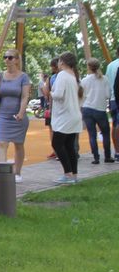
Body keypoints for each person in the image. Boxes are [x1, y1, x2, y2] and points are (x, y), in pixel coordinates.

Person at [0, 48, 31, 182]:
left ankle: (17, 172)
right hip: (3, 114)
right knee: (1, 143)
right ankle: (1, 173)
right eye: (5, 57)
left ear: (16, 60)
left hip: (17, 115)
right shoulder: (0, 75)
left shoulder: (23, 77)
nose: (7, 60)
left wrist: (21, 112)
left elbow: (25, 96)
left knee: (18, 144)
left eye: (10, 57)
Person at [50, 52, 83, 184]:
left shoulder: (62, 75)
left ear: (62, 62)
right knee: (69, 146)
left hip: (64, 116)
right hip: (74, 115)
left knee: (57, 144)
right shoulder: (74, 76)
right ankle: (74, 175)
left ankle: (67, 173)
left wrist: (51, 92)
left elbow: (58, 95)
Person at [80, 58, 113, 164]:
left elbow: (82, 95)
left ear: (88, 67)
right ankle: (107, 156)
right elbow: (108, 95)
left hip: (87, 108)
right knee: (105, 133)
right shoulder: (104, 79)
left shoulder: (84, 80)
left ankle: (96, 157)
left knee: (92, 134)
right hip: (100, 109)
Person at [42, 57, 59, 159]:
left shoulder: (52, 78)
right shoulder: (69, 76)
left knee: (53, 129)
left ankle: (56, 150)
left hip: (53, 107)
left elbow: (46, 93)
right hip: (57, 107)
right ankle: (58, 150)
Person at [107, 56, 119, 154]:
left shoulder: (110, 65)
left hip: (112, 98)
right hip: (117, 97)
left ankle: (116, 151)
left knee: (114, 124)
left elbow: (107, 82)